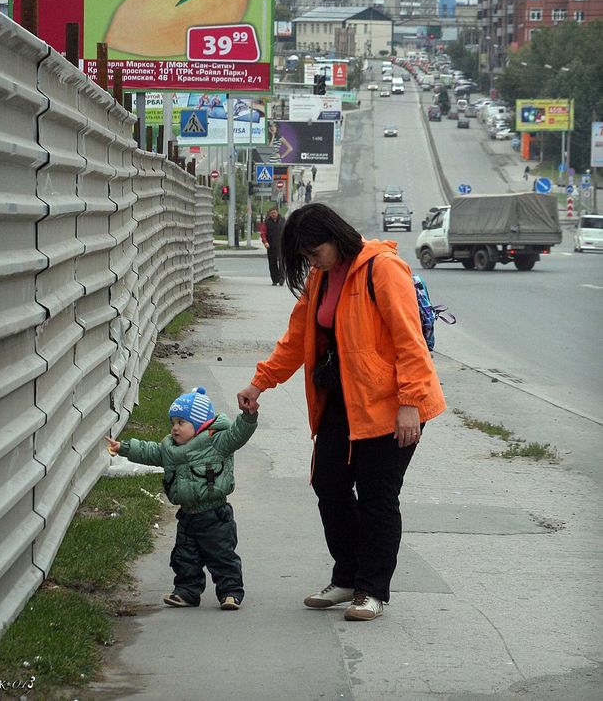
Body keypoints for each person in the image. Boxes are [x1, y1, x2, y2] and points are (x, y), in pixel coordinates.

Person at [237, 203, 445, 622]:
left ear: (335, 237)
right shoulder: (320, 278)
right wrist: (259, 382)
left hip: (392, 405)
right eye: (305, 257)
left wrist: (409, 403)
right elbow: (297, 339)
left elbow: (410, 342)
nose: (310, 261)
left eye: (314, 252)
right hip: (342, 402)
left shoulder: (383, 269)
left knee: (377, 499)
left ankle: (372, 590)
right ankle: (347, 577)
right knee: (328, 485)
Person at [105, 386, 258, 611]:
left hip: (215, 515)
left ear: (199, 425)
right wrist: (124, 448)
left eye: (181, 422)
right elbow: (150, 452)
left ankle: (230, 592)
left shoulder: (217, 443)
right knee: (185, 558)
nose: (175, 428)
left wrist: (248, 415)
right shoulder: (170, 449)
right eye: (173, 422)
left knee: (222, 557)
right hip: (187, 515)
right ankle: (186, 592)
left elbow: (239, 433)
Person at [260, 206, 285, 285]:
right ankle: (275, 279)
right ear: (269, 214)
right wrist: (265, 242)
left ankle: (281, 278)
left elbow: (288, 230)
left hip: (281, 244)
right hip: (270, 245)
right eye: (271, 213)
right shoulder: (267, 222)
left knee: (281, 262)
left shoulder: (283, 220)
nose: (273, 214)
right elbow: (263, 233)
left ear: (277, 213)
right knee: (272, 263)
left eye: (274, 212)